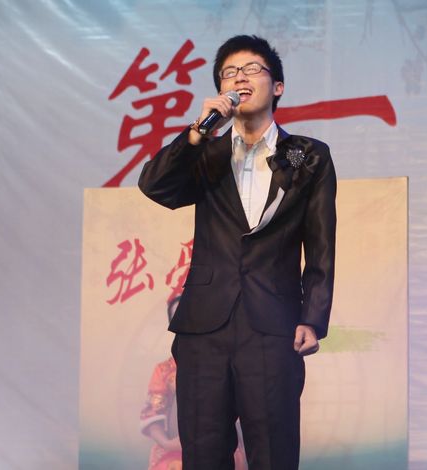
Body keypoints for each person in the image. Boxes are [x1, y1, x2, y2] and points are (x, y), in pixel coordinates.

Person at [138, 34, 337, 470]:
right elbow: (155, 186)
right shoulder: (205, 153)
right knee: (203, 452)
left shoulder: (309, 157)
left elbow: (321, 244)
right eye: (229, 73)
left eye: (251, 69)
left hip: (273, 324)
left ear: (277, 86)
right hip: (203, 328)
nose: (239, 78)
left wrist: (313, 317)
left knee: (273, 450)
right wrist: (197, 131)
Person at [139, 297, 248, 470]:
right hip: (176, 448)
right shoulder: (165, 370)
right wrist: (167, 443)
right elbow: (152, 412)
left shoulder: (227, 363)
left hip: (221, 443)